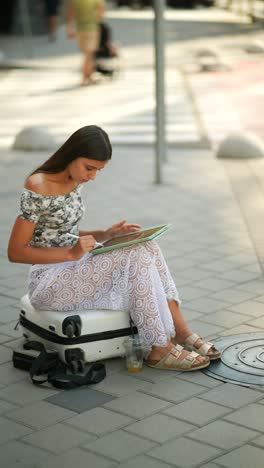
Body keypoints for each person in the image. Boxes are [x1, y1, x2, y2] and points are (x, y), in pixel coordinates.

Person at [8, 125, 221, 371]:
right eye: (89, 168)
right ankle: (159, 348)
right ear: (71, 154)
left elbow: (60, 233)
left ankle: (181, 332)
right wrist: (71, 253)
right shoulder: (38, 185)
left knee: (146, 245)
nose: (92, 176)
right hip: (49, 282)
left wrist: (105, 234)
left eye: (98, 170)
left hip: (74, 268)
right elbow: (16, 251)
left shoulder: (75, 180)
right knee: (134, 255)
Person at [66, 0, 105, 86]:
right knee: (89, 54)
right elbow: (101, 14)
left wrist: (70, 28)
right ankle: (84, 78)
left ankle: (89, 76)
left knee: (87, 54)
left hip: (80, 29)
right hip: (92, 28)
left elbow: (71, 13)